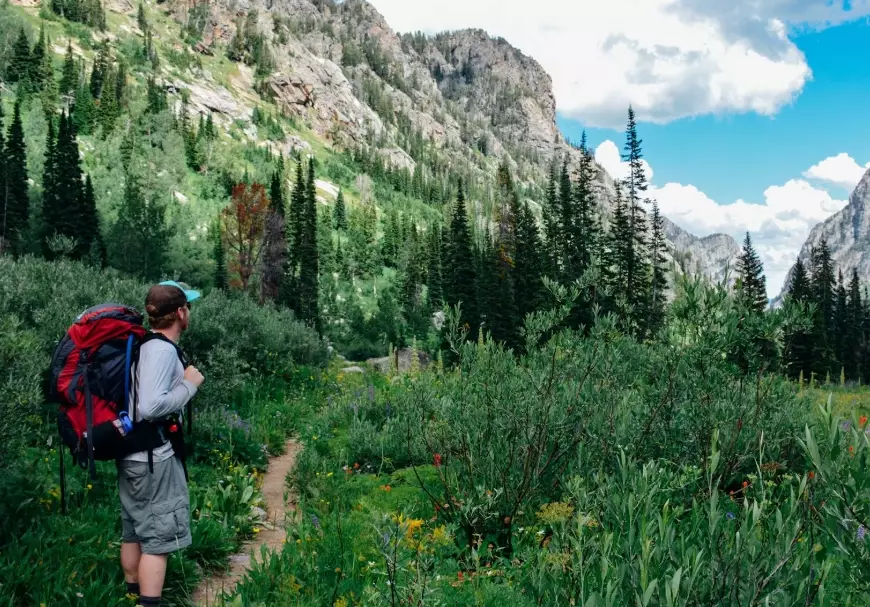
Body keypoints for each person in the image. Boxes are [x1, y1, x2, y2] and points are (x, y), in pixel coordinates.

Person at [119, 281, 204, 607]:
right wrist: (189, 386)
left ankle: (131, 595)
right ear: (180, 313)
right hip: (153, 458)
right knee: (158, 539)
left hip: (133, 453)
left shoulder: (144, 344)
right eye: (188, 307)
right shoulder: (162, 351)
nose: (190, 312)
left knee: (134, 529)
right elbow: (152, 406)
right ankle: (148, 602)